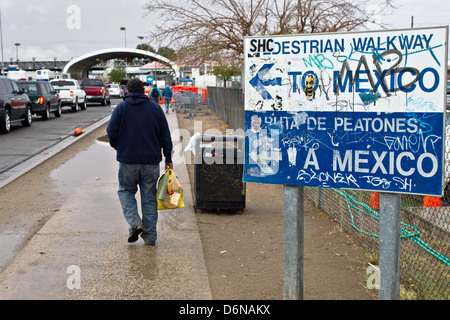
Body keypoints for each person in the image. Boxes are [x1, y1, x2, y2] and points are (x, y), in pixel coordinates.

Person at [107, 78, 173, 246]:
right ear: (144, 91)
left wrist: (119, 147)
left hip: (127, 161)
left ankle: (135, 222)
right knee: (149, 198)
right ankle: (150, 237)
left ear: (127, 91)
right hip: (151, 161)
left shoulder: (121, 108)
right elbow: (165, 135)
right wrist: (168, 158)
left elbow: (111, 131)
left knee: (125, 191)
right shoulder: (155, 109)